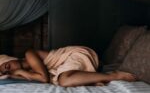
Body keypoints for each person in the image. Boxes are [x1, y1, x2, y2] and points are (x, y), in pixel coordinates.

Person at [0, 46, 136, 87]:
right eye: (6, 70)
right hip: (67, 65)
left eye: (7, 65)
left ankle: (113, 75)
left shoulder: (29, 54)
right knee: (63, 79)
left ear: (12, 59)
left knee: (63, 80)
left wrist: (19, 72)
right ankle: (93, 78)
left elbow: (43, 79)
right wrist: (15, 74)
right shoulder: (26, 71)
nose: (9, 69)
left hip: (74, 54)